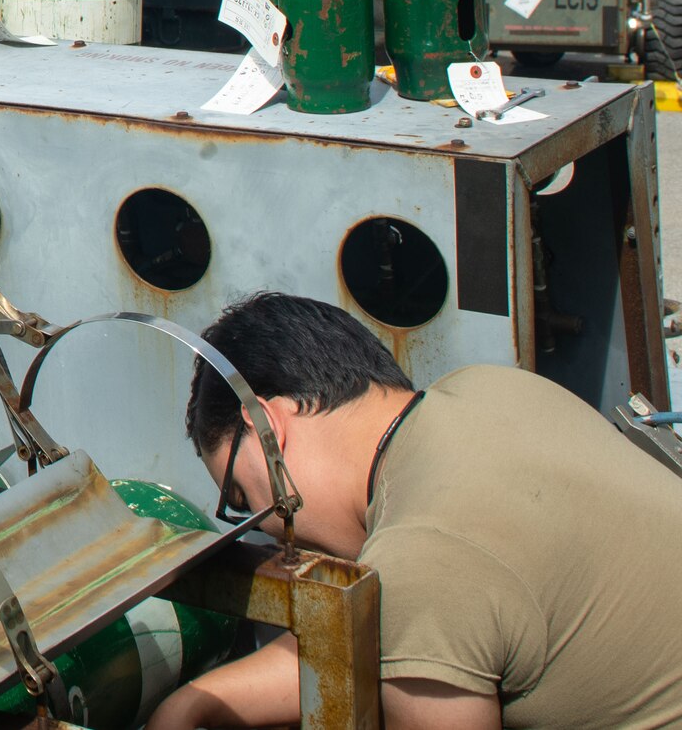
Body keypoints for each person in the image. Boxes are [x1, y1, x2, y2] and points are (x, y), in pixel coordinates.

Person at [146, 292, 682, 729]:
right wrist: (197, 702)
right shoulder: (492, 389)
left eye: (240, 498)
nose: (265, 526)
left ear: (268, 428)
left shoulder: (423, 555)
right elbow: (404, 631)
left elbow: (421, 600)